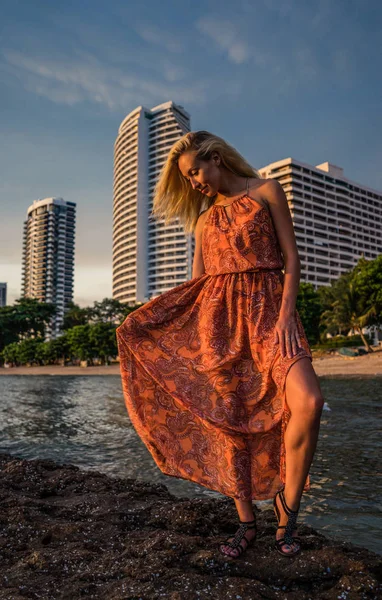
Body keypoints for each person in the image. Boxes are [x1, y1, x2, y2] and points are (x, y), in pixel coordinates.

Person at [116, 130, 324, 560]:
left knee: (308, 401)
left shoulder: (267, 191)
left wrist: (287, 314)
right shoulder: (204, 219)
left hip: (271, 317)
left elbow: (291, 260)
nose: (193, 182)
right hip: (218, 328)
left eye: (195, 171)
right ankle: (247, 523)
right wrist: (159, 325)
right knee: (229, 421)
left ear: (215, 158)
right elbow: (198, 284)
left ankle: (287, 511)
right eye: (187, 177)